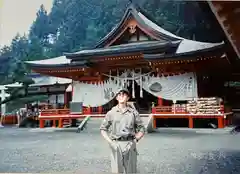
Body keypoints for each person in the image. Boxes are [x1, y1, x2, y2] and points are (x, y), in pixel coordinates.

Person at [100, 88, 145, 174]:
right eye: (119, 94)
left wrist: (135, 140)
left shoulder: (133, 113)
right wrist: (110, 142)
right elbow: (103, 129)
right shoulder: (111, 113)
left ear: (128, 98)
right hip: (116, 144)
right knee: (117, 171)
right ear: (116, 97)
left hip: (129, 143)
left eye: (124, 95)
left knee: (131, 171)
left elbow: (142, 128)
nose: (121, 96)